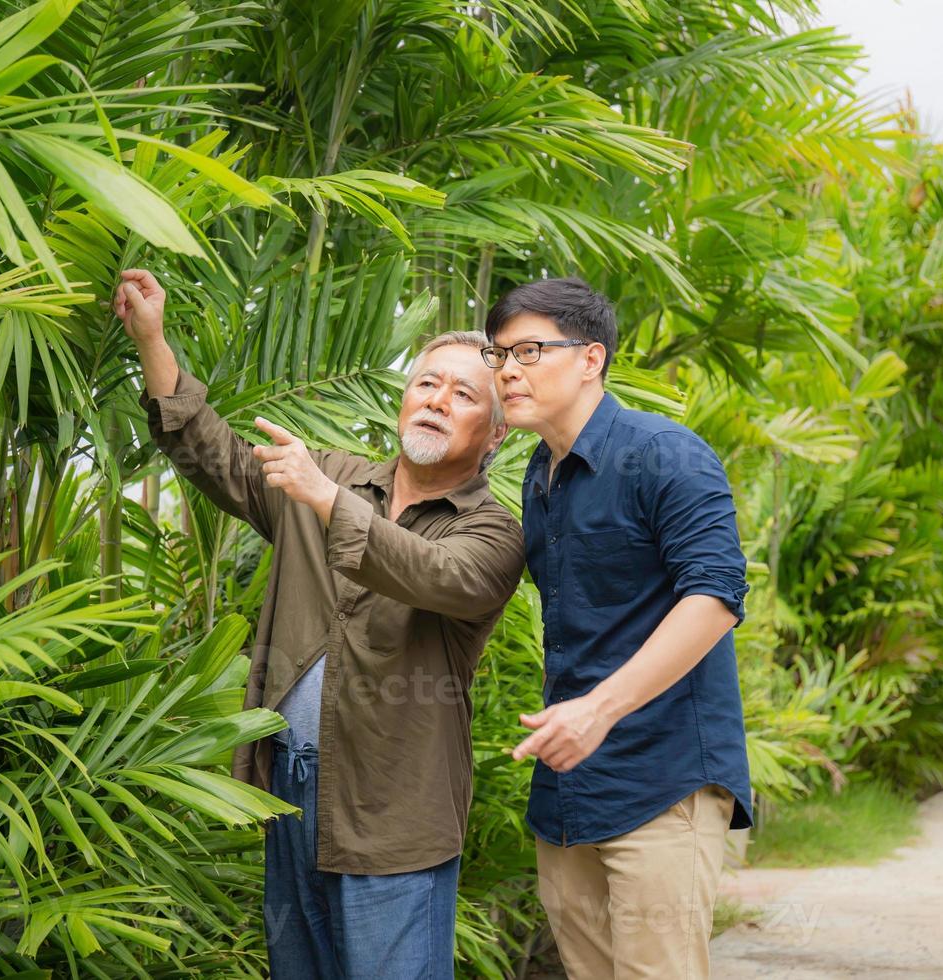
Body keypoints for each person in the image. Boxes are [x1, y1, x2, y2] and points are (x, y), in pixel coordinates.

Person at [114, 268, 525, 979]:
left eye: (463, 396)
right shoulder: (333, 475)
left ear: (492, 435)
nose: (436, 401)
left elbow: (438, 577)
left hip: (393, 810)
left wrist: (328, 500)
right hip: (292, 793)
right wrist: (151, 339)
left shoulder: (492, 532)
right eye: (427, 383)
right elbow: (215, 458)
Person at [483, 277, 752, 980]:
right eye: (499, 354)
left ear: (590, 358)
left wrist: (598, 710)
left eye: (530, 350)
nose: (507, 370)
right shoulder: (539, 474)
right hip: (568, 787)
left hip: (663, 778)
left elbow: (715, 597)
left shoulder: (665, 454)